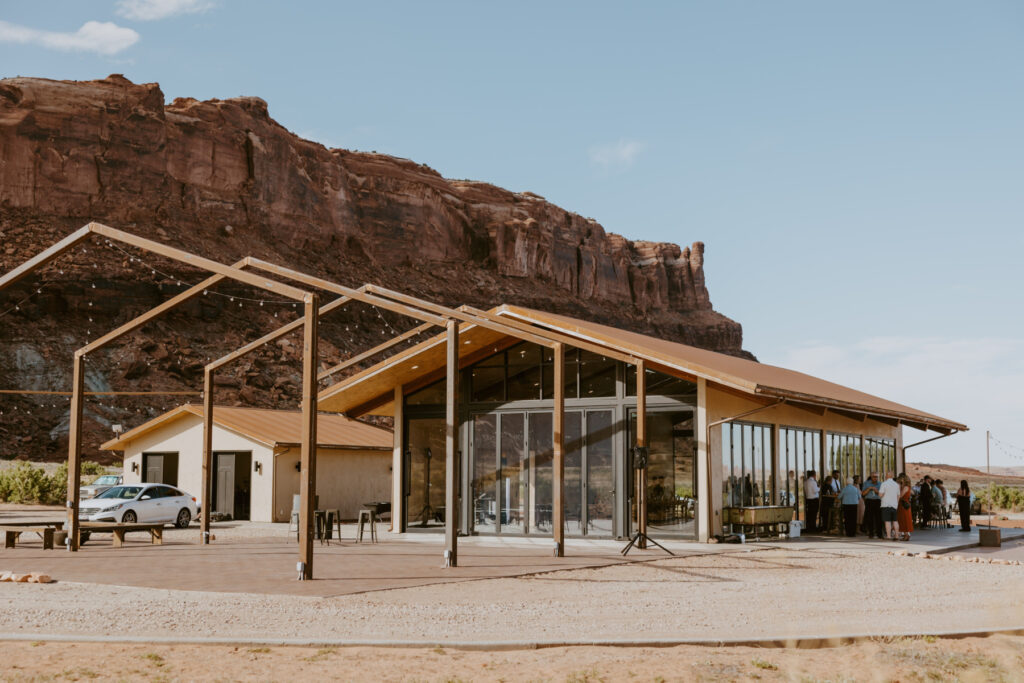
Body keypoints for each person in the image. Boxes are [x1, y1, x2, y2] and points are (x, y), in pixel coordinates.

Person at [879, 471, 900, 540]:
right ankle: (897, 536)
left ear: (886, 476)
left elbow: (880, 495)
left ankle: (888, 536)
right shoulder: (897, 485)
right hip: (894, 505)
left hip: (886, 505)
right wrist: (896, 503)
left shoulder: (884, 484)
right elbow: (898, 496)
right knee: (895, 521)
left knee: (887, 521)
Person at [862, 471, 883, 538]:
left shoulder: (880, 484)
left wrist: (876, 490)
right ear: (871, 477)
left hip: (877, 501)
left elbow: (881, 494)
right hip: (869, 501)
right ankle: (871, 533)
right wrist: (869, 488)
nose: (875, 478)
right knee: (869, 518)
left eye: (876, 477)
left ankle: (879, 534)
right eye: (874, 477)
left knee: (878, 518)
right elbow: (863, 494)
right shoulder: (866, 483)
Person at [897, 474, 914, 541]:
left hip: (903, 505)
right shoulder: (907, 487)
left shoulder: (905, 487)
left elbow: (901, 495)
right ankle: (906, 535)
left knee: (904, 520)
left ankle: (906, 535)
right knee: (904, 520)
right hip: (904, 504)